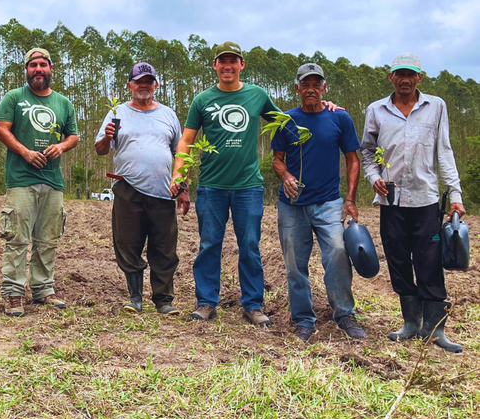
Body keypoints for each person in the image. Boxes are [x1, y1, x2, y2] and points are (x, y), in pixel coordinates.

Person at [171, 42, 288, 326]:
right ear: (215, 66)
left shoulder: (257, 95)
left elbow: (285, 123)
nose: (227, 66)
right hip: (211, 186)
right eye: (222, 61)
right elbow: (186, 140)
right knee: (210, 244)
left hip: (248, 186)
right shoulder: (202, 100)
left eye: (233, 61)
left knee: (249, 244)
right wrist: (179, 174)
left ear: (241, 65)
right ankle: (206, 302)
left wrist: (326, 108)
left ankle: (252, 305)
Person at [361, 53, 466, 353]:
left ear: (420, 77)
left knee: (430, 261)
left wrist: (455, 194)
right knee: (397, 260)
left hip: (426, 200)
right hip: (390, 201)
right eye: (399, 74)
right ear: (391, 77)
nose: (405, 79)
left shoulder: (435, 107)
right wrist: (373, 178)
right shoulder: (376, 110)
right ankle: (410, 323)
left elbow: (444, 151)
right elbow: (367, 152)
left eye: (411, 74)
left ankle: (435, 330)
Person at [271, 63, 365, 342]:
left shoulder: (340, 118)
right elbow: (276, 159)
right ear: (297, 88)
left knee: (337, 253)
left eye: (316, 84)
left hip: (329, 203)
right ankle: (303, 319)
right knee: (294, 264)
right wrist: (286, 175)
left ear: (324, 88)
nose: (311, 89)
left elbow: (352, 159)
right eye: (305, 84)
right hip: (292, 205)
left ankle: (345, 313)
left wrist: (349, 199)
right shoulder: (286, 120)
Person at [95, 62, 185, 314]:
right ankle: (135, 297)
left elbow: (180, 153)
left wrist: (183, 185)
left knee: (165, 248)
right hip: (128, 189)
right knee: (128, 243)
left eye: (148, 81)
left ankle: (163, 300)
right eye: (138, 81)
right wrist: (107, 137)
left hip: (163, 191)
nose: (143, 85)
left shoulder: (168, 115)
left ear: (155, 85)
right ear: (129, 85)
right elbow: (100, 150)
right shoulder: (117, 113)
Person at [0, 48, 78, 317]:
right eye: (33, 65)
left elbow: (73, 136)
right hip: (21, 179)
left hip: (52, 181)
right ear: (27, 70)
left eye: (43, 64)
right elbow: (2, 129)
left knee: (48, 239)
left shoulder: (63, 103)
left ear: (51, 69)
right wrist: (25, 152)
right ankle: (13, 293)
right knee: (17, 237)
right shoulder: (14, 98)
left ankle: (43, 290)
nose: (38, 69)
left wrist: (62, 147)